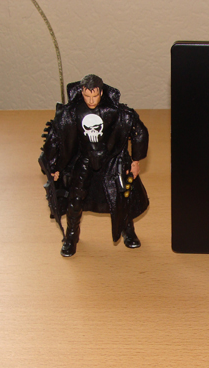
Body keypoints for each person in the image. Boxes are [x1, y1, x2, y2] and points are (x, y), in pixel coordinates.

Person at [39, 74, 149, 257]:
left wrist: (135, 161)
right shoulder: (72, 112)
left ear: (101, 92)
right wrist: (53, 166)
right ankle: (71, 236)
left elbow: (139, 131)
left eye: (95, 96)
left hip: (110, 161)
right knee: (75, 200)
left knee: (121, 197)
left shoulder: (114, 111)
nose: (91, 100)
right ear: (82, 92)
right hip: (83, 160)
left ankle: (128, 230)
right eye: (87, 96)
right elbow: (56, 138)